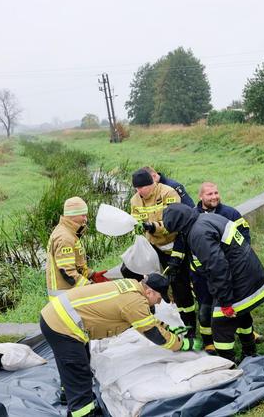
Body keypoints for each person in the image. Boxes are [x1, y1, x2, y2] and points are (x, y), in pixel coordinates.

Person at [40, 274, 201, 417]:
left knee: (76, 364)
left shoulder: (131, 286)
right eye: (159, 299)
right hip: (63, 325)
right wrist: (183, 344)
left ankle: (67, 395)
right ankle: (83, 412)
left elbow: (143, 319)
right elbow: (154, 335)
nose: (159, 303)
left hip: (60, 316)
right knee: (78, 371)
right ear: (149, 292)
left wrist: (168, 328)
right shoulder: (134, 302)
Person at [162, 203, 264, 362]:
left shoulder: (198, 233)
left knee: (220, 325)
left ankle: (228, 365)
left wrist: (226, 302)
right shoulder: (207, 218)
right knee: (241, 314)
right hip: (248, 272)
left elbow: (218, 268)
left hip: (237, 280)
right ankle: (250, 353)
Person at [128, 168, 197, 336]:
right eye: (136, 189)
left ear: (152, 183)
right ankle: (160, 319)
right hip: (155, 248)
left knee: (181, 287)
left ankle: (190, 327)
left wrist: (154, 227)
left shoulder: (168, 193)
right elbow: (135, 220)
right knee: (151, 282)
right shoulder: (135, 200)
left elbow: (175, 221)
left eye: (142, 188)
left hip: (176, 245)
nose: (140, 192)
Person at [192, 181, 253, 352]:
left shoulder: (230, 212)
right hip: (203, 275)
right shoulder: (193, 215)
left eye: (216, 193)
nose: (214, 197)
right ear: (201, 196)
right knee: (205, 309)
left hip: (230, 271)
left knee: (240, 307)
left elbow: (245, 235)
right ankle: (208, 341)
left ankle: (247, 337)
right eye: (209, 194)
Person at [46, 197, 108, 300]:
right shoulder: (65, 238)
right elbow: (68, 273)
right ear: (73, 215)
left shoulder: (70, 232)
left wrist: (92, 274)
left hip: (69, 294)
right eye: (83, 215)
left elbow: (76, 265)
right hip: (64, 297)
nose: (86, 219)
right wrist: (91, 287)